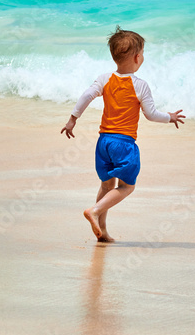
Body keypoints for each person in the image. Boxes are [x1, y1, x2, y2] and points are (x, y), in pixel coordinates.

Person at [61, 27, 185, 242]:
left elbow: (86, 95)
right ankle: (95, 210)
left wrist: (73, 118)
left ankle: (103, 231)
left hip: (103, 143)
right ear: (138, 58)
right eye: (143, 53)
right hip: (124, 144)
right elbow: (151, 115)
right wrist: (170, 117)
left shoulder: (104, 78)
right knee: (127, 186)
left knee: (107, 185)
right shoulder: (140, 85)